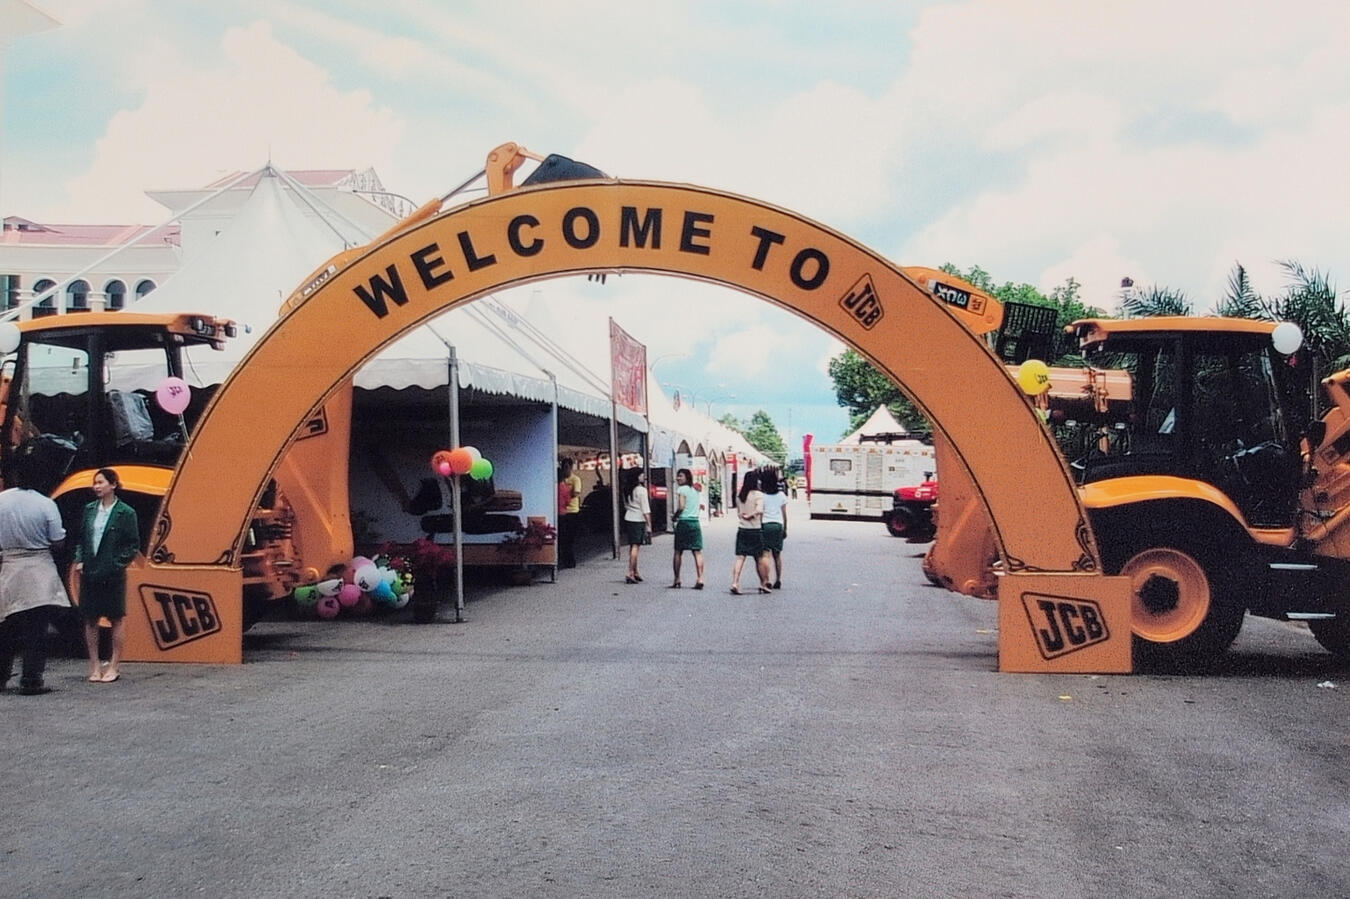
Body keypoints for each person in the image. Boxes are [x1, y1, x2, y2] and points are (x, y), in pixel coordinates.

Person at [0, 458, 71, 695]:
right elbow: (58, 540)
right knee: (36, 630)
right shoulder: (45, 504)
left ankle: (1, 677)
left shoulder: (1, 500)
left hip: (10, 569)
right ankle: (31, 680)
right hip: (39, 569)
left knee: (6, 628)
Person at [75, 467, 140, 683]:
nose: (96, 486)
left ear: (113, 485)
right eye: (95, 483)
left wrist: (116, 564)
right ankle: (94, 665)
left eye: (101, 482)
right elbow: (82, 538)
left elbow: (132, 545)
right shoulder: (89, 510)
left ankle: (114, 665)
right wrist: (80, 559)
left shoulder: (126, 512)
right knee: (90, 618)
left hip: (112, 573)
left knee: (116, 617)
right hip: (90, 571)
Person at [730, 469, 771, 595]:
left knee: (740, 557)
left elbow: (739, 513)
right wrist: (751, 515)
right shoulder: (758, 495)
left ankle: (735, 582)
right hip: (755, 530)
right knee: (759, 558)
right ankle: (764, 583)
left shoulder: (740, 495)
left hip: (742, 529)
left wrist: (744, 516)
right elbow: (759, 510)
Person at [670, 468, 705, 589]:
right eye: (677, 476)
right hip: (695, 522)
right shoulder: (695, 490)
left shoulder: (682, 489)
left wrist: (675, 517)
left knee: (678, 551)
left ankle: (677, 579)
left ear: (687, 477)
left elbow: (681, 506)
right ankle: (700, 578)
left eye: (681, 476)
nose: (678, 478)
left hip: (684, 522)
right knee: (697, 551)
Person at [620, 467, 651, 584]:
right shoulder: (641, 490)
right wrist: (649, 524)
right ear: (637, 477)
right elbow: (645, 509)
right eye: (641, 475)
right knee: (636, 547)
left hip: (629, 517)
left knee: (633, 546)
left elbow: (625, 505)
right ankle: (630, 572)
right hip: (638, 519)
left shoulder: (627, 489)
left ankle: (635, 571)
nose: (644, 477)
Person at [760, 465, 789, 589]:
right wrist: (785, 528)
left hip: (765, 525)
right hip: (777, 525)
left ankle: (766, 579)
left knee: (765, 554)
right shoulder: (781, 495)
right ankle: (778, 579)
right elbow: (784, 514)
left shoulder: (762, 496)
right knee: (777, 555)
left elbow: (761, 513)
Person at [557, 458, 582, 568]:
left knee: (569, 538)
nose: (565, 470)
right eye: (563, 467)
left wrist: (564, 495)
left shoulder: (575, 479)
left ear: (571, 468)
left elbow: (576, 493)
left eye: (567, 467)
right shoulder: (560, 480)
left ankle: (570, 561)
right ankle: (565, 560)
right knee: (563, 538)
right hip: (562, 512)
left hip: (572, 511)